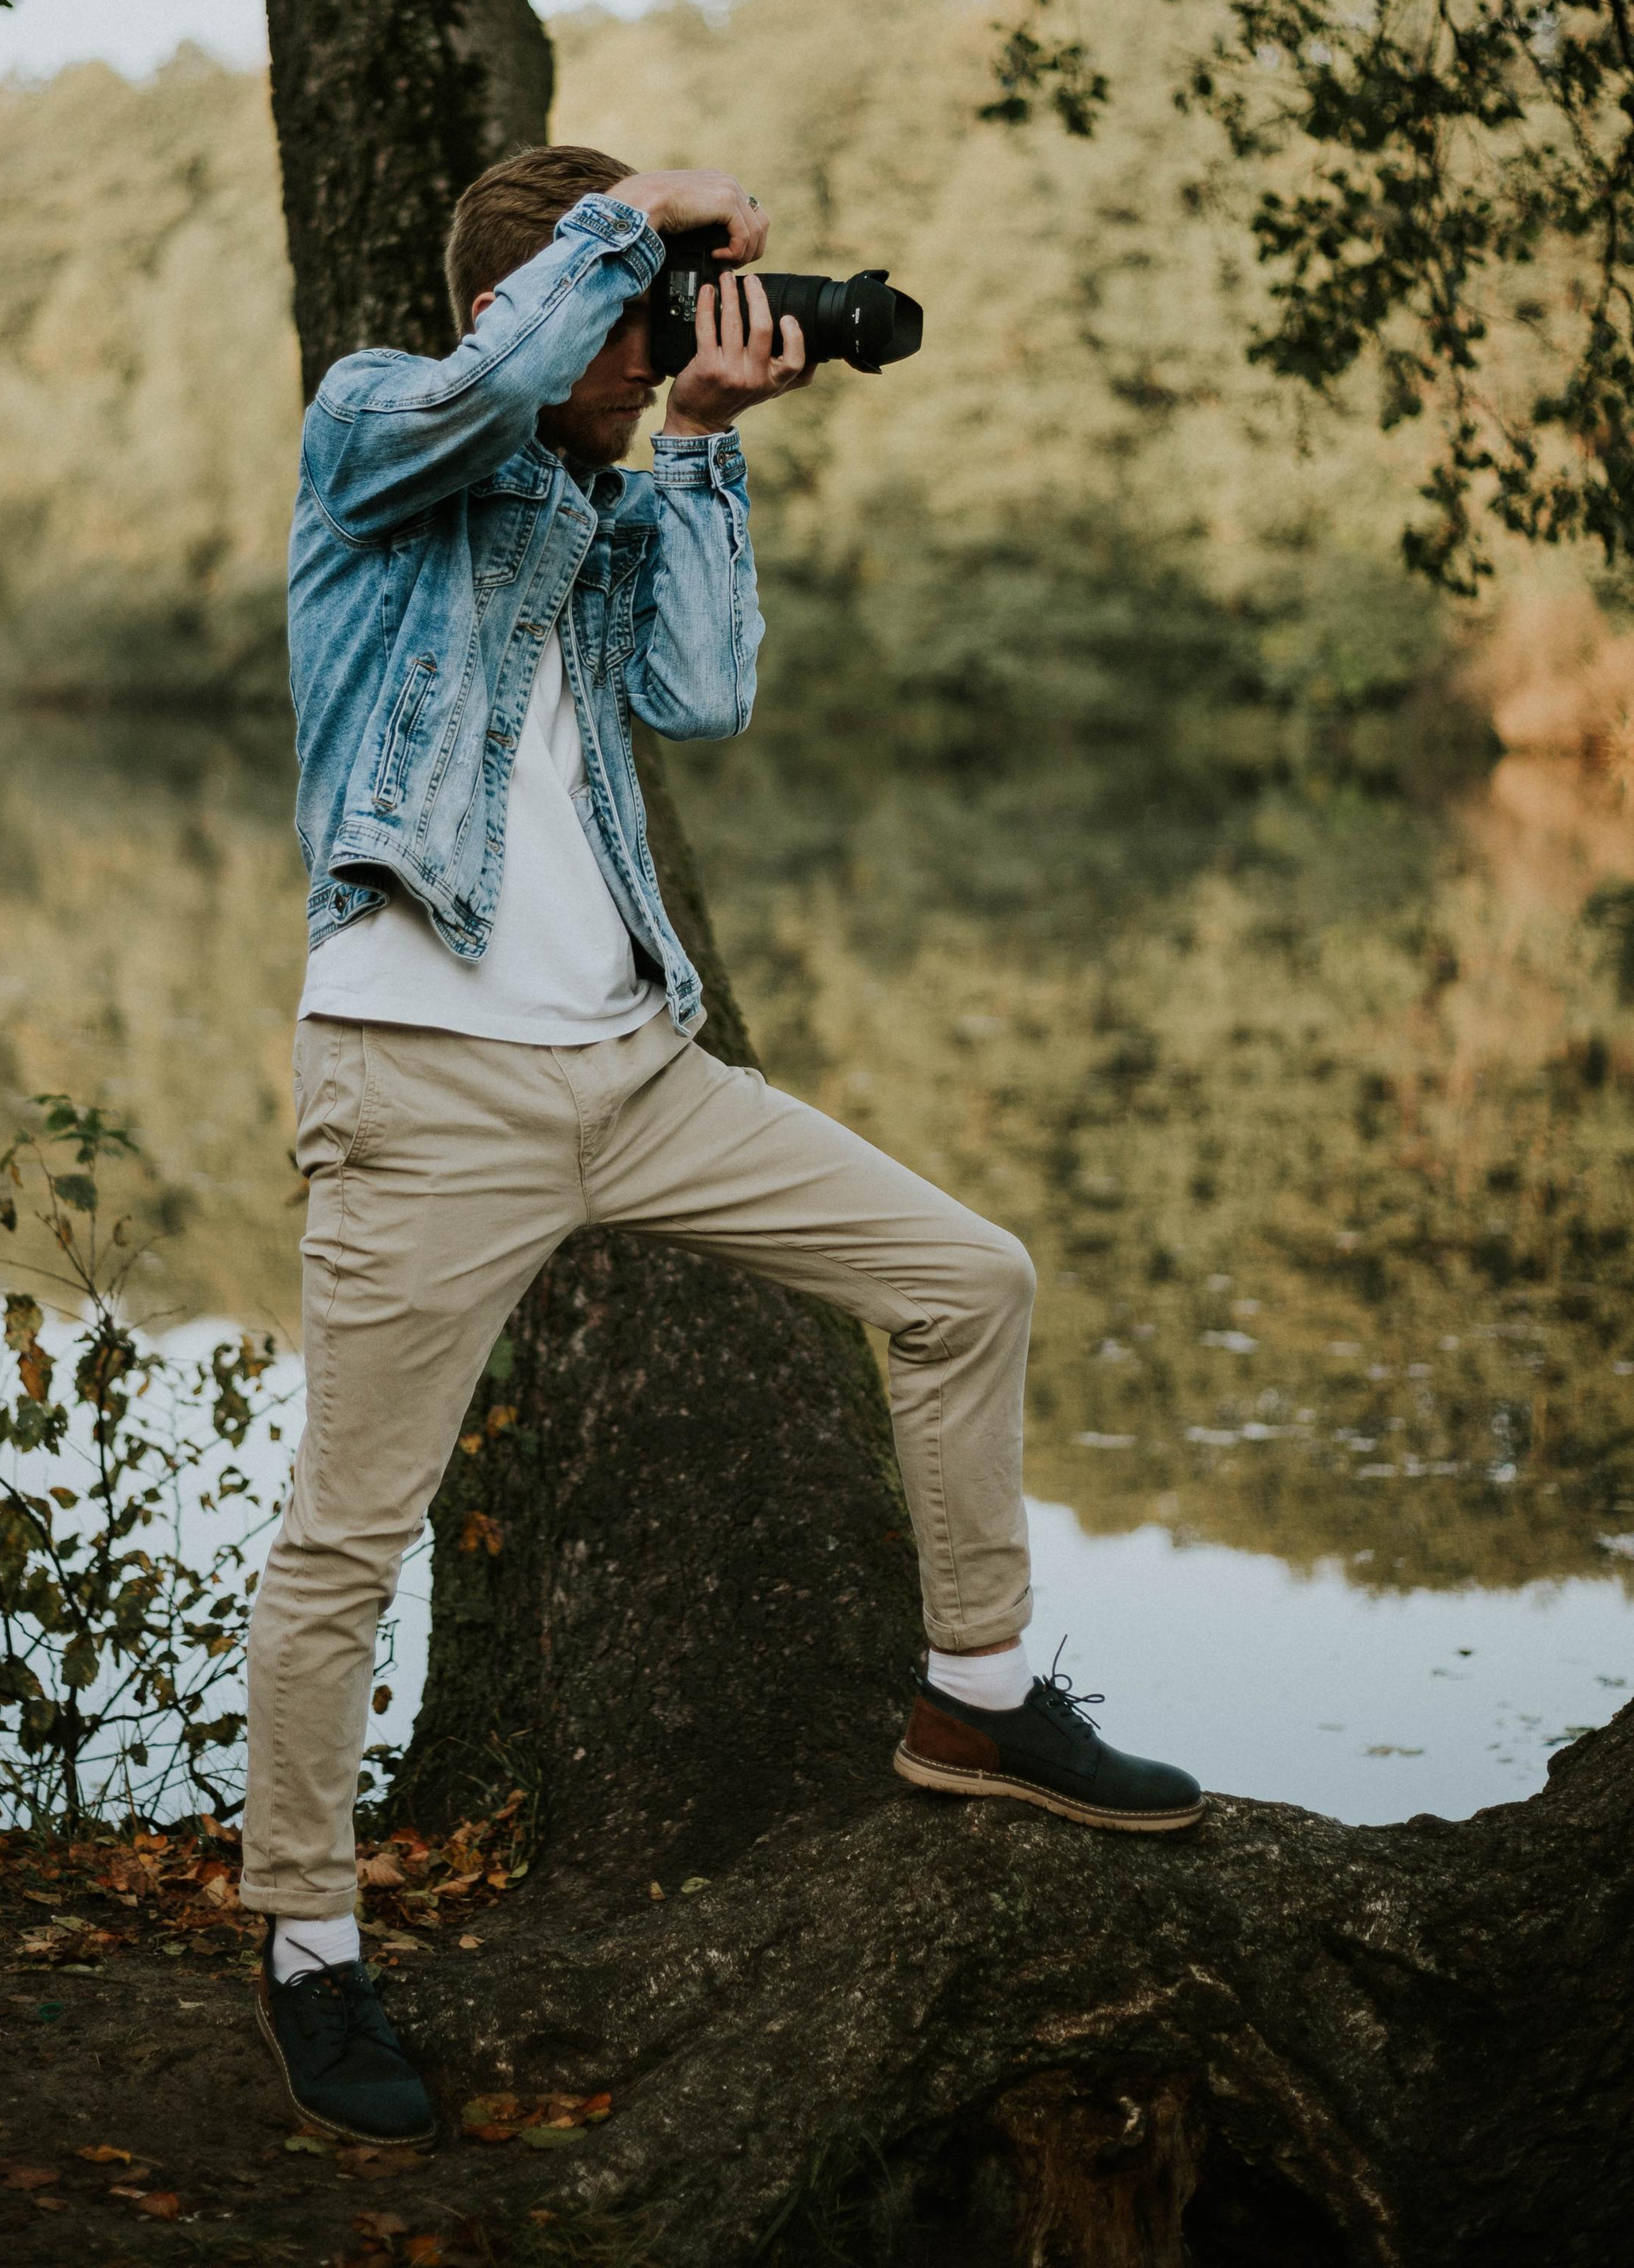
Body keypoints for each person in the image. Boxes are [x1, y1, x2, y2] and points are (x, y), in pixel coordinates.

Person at [244, 146, 1202, 2144]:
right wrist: (634, 228)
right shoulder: (370, 435)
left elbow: (702, 692)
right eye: (639, 311)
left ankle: (974, 1695)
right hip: (424, 1089)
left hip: (636, 1073)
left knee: (967, 1278)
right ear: (547, 301)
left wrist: (691, 442)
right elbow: (475, 399)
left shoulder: (601, 496)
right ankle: (309, 1944)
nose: (667, 334)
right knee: (349, 1535)